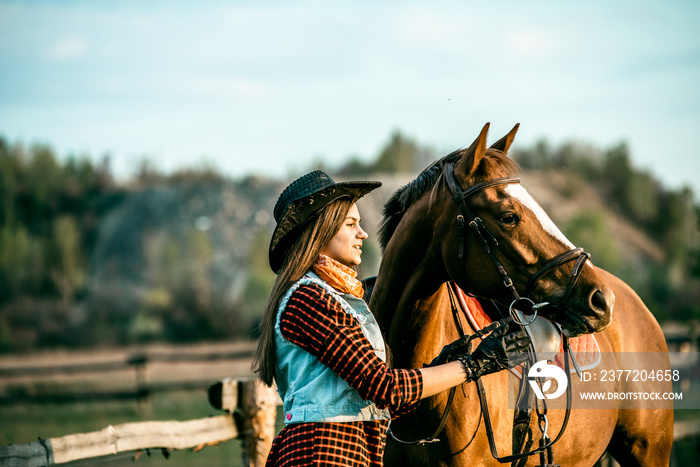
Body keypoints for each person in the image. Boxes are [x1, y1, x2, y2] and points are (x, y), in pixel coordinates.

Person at [252, 170, 531, 466]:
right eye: (351, 224)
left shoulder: (335, 297)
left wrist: (443, 365)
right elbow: (385, 389)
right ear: (319, 230)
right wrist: (474, 365)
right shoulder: (308, 299)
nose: (363, 234)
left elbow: (372, 403)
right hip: (320, 456)